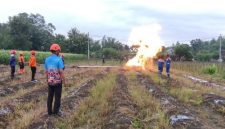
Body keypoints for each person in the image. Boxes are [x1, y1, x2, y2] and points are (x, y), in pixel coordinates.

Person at [45, 43, 65, 116]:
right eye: (59, 51)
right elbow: (61, 71)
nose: (59, 52)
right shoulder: (59, 60)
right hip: (57, 82)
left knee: (50, 97)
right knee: (57, 97)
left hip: (50, 81)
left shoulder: (47, 59)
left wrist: (47, 80)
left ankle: (49, 112)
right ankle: (56, 112)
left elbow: (46, 72)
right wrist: (64, 81)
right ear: (56, 51)